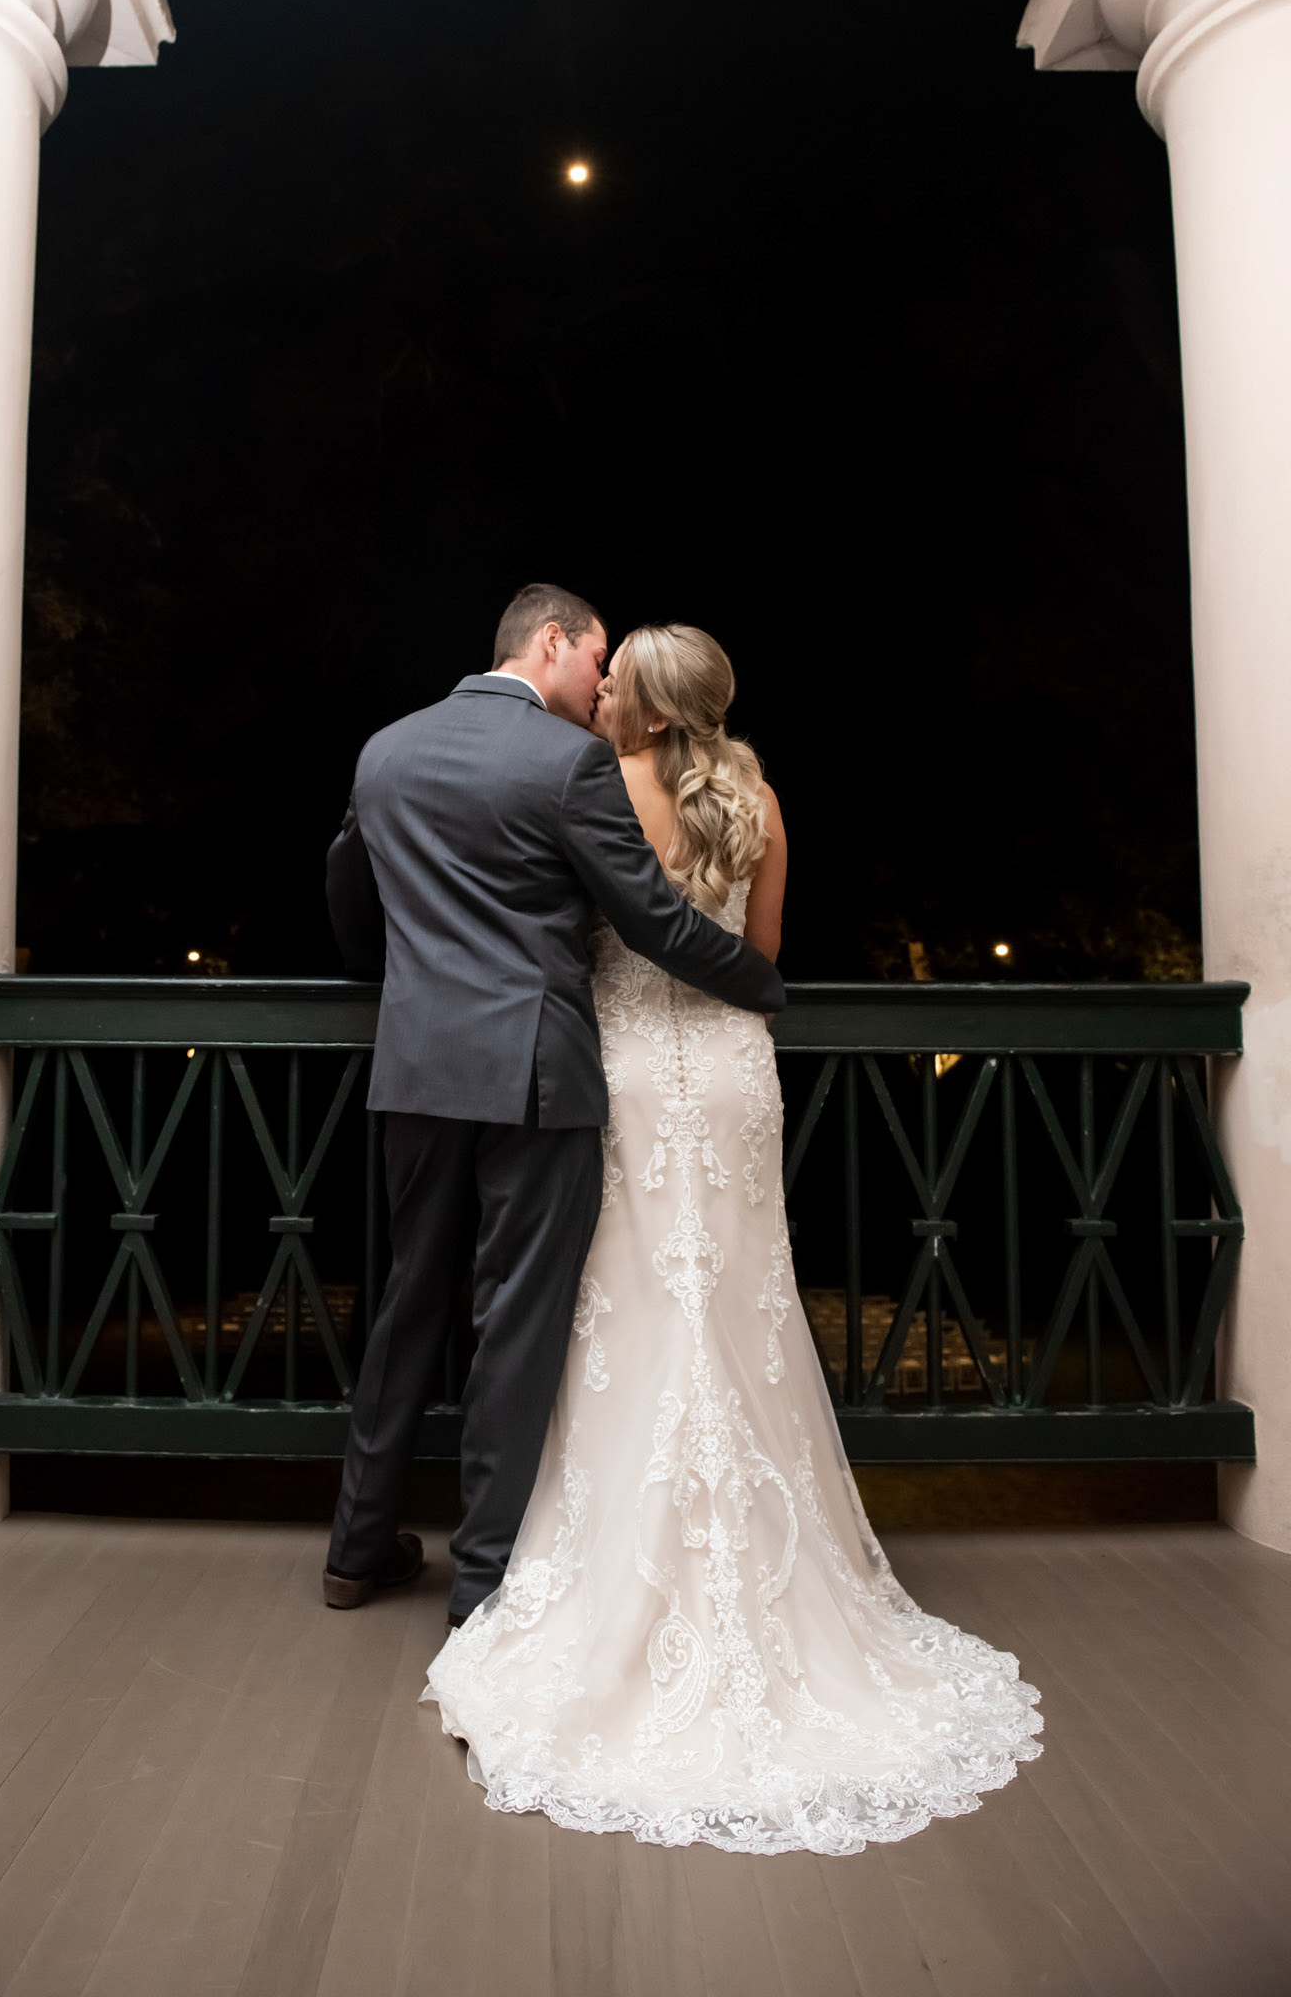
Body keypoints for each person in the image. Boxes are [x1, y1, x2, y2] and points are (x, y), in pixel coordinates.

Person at [423, 624, 1042, 1855]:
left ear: (645, 710)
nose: (593, 694)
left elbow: (590, 928)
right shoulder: (755, 794)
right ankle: (784, 1577)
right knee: (742, 1308)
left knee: (634, 1305)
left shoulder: (596, 781)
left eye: (611, 684)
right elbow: (759, 956)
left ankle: (610, 1575)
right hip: (729, 1074)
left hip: (633, 1077)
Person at [322, 585, 786, 1624]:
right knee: (515, 1317)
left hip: (417, 1065)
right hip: (535, 1070)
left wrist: (400, 978)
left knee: (406, 1303)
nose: (601, 685)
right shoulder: (565, 760)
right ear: (553, 641)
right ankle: (482, 1579)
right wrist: (764, 987)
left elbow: (351, 902)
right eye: (597, 658)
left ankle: (355, 1547)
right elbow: (653, 921)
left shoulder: (385, 751)